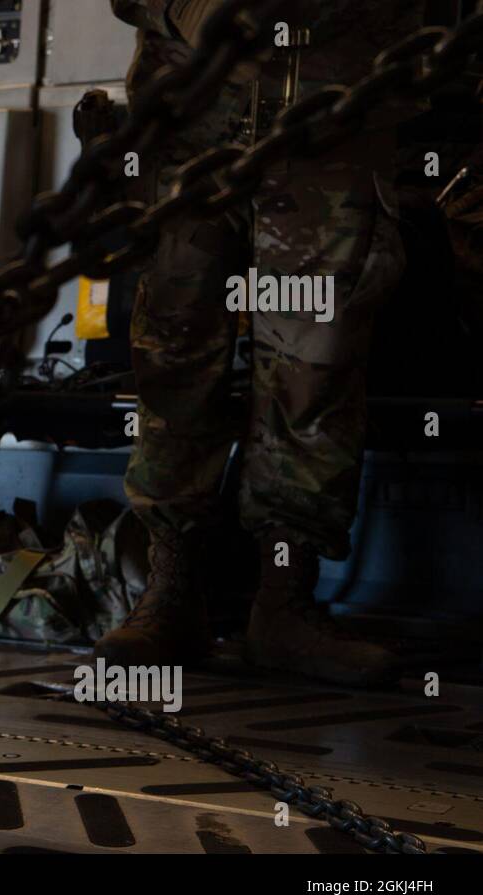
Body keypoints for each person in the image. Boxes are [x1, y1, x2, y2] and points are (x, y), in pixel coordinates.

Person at [95, 1, 425, 686]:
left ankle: (284, 602)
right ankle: (172, 589)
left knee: (315, 364)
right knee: (175, 352)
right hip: (189, 112)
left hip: (330, 114)